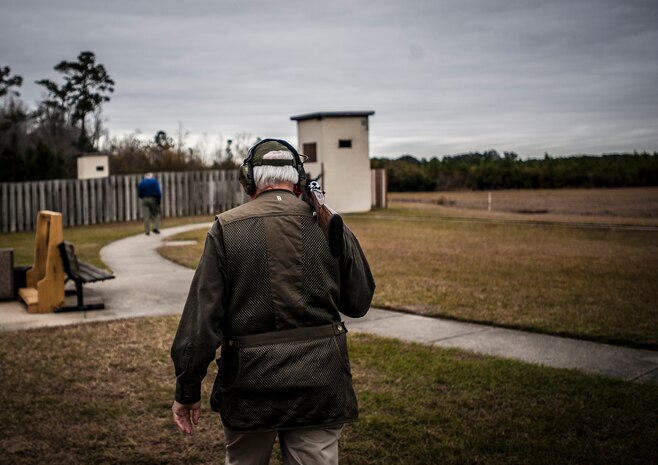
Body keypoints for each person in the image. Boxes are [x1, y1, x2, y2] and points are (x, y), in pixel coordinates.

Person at [170, 138, 375, 465]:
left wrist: (187, 390)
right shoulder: (326, 221)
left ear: (248, 180)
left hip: (250, 389)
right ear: (298, 179)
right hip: (320, 385)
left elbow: (201, 323)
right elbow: (359, 300)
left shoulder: (225, 228)